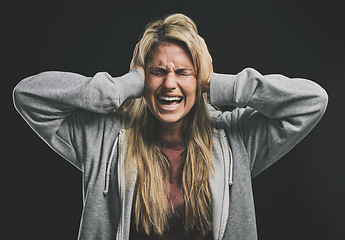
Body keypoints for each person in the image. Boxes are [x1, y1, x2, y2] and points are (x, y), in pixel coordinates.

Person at [13, 13, 328, 240]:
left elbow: (311, 101)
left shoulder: (237, 137)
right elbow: (29, 96)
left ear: (199, 78)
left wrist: (216, 83)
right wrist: (122, 86)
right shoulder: (104, 138)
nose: (170, 84)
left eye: (183, 72)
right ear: (143, 76)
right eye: (157, 71)